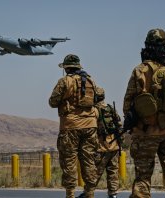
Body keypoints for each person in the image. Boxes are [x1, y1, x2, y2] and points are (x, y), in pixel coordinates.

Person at [123, 29, 165, 198]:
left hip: (146, 131)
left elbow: (128, 103)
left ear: (147, 46)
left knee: (143, 178)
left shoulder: (140, 70)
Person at [49, 54, 99, 198]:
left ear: (66, 68)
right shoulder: (90, 80)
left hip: (70, 127)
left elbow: (52, 102)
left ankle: (70, 194)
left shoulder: (65, 81)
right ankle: (90, 194)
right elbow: (99, 95)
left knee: (69, 162)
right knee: (89, 161)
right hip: (90, 126)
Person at [77, 87, 121, 198]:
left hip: (101, 147)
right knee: (113, 172)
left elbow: (90, 129)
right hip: (114, 145)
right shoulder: (110, 108)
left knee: (95, 172)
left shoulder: (93, 110)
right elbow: (119, 125)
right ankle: (113, 194)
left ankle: (88, 193)